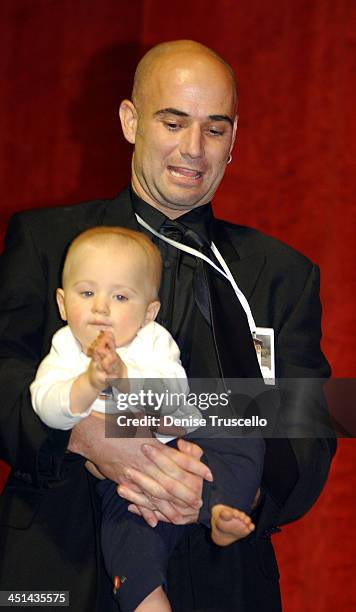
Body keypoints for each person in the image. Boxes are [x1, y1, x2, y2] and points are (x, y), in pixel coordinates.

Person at [0, 39, 336, 612]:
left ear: (235, 139)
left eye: (215, 128)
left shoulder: (281, 275)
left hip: (225, 577)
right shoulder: (48, 242)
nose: (194, 149)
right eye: (174, 122)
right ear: (131, 121)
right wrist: (89, 436)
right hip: (60, 570)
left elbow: (310, 425)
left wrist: (227, 492)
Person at [30, 225, 263, 611]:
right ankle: (147, 598)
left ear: (148, 312)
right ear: (61, 302)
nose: (100, 308)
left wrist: (124, 380)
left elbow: (174, 396)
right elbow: (46, 405)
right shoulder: (65, 348)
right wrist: (87, 385)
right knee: (126, 535)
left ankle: (221, 509)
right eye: (86, 293)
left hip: (180, 434)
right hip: (124, 470)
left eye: (120, 296)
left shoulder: (154, 339)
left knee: (241, 429)